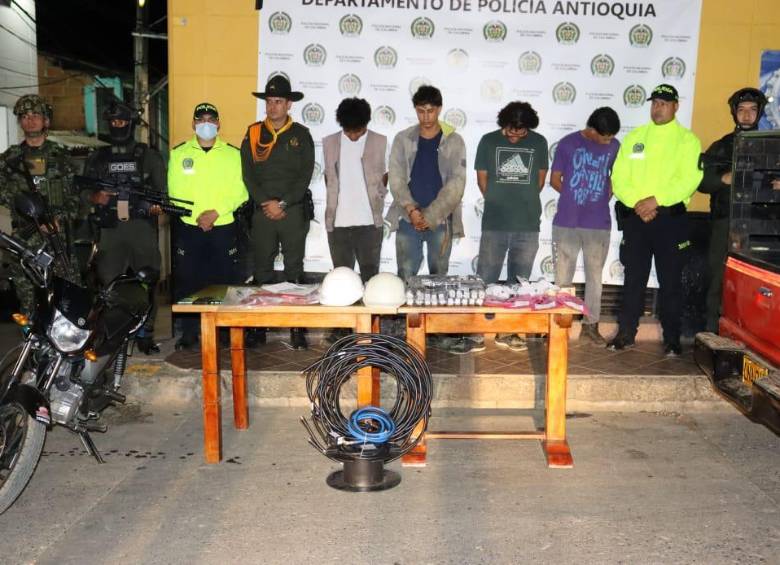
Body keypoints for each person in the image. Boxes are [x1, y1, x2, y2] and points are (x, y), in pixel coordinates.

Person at [609, 84, 703, 356]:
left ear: (676, 106)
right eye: (655, 103)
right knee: (633, 278)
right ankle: (626, 333)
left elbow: (689, 179)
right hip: (637, 219)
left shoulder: (687, 140)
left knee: (671, 281)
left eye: (664, 103)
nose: (657, 107)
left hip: (670, 221)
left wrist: (655, 200)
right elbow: (619, 176)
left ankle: (672, 339)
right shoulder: (636, 137)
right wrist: (639, 205)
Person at [386, 85, 466, 351]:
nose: (426, 116)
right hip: (408, 218)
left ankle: (437, 332)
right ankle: (403, 332)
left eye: (431, 110)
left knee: (438, 277)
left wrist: (430, 216)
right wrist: (411, 210)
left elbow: (457, 184)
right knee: (405, 274)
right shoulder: (403, 139)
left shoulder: (454, 141)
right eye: (421, 110)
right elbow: (396, 179)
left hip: (441, 220)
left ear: (439, 109)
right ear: (415, 110)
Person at [82, 101, 167, 354]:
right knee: (109, 284)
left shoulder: (148, 156)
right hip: (110, 230)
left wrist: (154, 204)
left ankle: (145, 333)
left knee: (148, 280)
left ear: (130, 125)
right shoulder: (98, 157)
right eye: (113, 122)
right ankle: (113, 333)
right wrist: (95, 197)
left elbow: (163, 193)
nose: (117, 126)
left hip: (141, 227)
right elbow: (83, 190)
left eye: (122, 122)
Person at [240, 75, 315, 350]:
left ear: (288, 105)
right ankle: (258, 328)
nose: (273, 107)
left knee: (295, 270)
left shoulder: (301, 135)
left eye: (278, 102)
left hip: (292, 211)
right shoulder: (252, 133)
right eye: (270, 102)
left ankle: (297, 328)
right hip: (262, 212)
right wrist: (265, 202)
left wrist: (282, 203)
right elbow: (248, 174)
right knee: (262, 269)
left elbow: (305, 174)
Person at [697, 88, 779, 333]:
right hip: (725, 223)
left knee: (756, 283)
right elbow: (701, 183)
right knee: (717, 280)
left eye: (752, 110)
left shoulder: (772, 145)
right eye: (741, 110)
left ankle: (751, 334)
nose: (746, 115)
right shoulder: (721, 147)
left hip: (760, 226)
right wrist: (724, 178)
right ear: (734, 113)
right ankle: (713, 333)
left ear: (759, 113)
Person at [168, 103, 249, 350]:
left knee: (223, 279)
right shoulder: (179, 153)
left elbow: (241, 191)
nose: (206, 124)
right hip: (190, 226)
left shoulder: (233, 154)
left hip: (222, 225)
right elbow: (174, 191)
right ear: (193, 124)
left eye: (211, 119)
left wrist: (215, 213)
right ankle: (190, 333)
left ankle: (223, 332)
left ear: (218, 124)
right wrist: (197, 216)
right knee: (190, 279)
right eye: (201, 119)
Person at [474, 101, 548, 353]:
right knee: (486, 277)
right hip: (495, 221)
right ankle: (478, 330)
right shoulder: (488, 141)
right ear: (503, 124)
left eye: (521, 131)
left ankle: (511, 330)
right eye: (511, 130)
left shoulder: (539, 142)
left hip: (527, 223)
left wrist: (521, 200)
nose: (516, 135)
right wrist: (499, 200)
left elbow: (539, 180)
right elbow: (482, 179)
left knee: (520, 281)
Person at [0, 94, 83, 313]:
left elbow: (76, 200)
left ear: (46, 120)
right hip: (24, 241)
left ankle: (65, 345)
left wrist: (58, 218)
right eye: (25, 116)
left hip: (56, 239)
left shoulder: (61, 157)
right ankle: (33, 344)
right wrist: (19, 202)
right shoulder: (8, 160)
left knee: (67, 297)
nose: (30, 120)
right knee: (27, 297)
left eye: (35, 115)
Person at [550, 107, 621, 345]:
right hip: (567, 222)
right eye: (605, 136)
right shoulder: (568, 144)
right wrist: (573, 195)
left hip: (598, 224)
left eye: (611, 136)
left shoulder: (615, 146)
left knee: (595, 278)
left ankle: (591, 326)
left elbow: (616, 177)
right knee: (562, 278)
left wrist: (603, 195)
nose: (608, 141)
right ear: (591, 130)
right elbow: (554, 179)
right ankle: (560, 326)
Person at [321, 98, 387, 344]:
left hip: (370, 223)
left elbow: (386, 175)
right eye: (348, 131)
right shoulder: (329, 143)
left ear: (366, 125)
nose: (353, 135)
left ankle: (371, 329)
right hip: (337, 224)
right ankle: (342, 329)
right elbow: (329, 178)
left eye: (357, 131)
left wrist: (378, 194)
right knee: (341, 277)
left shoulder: (380, 142)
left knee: (371, 276)